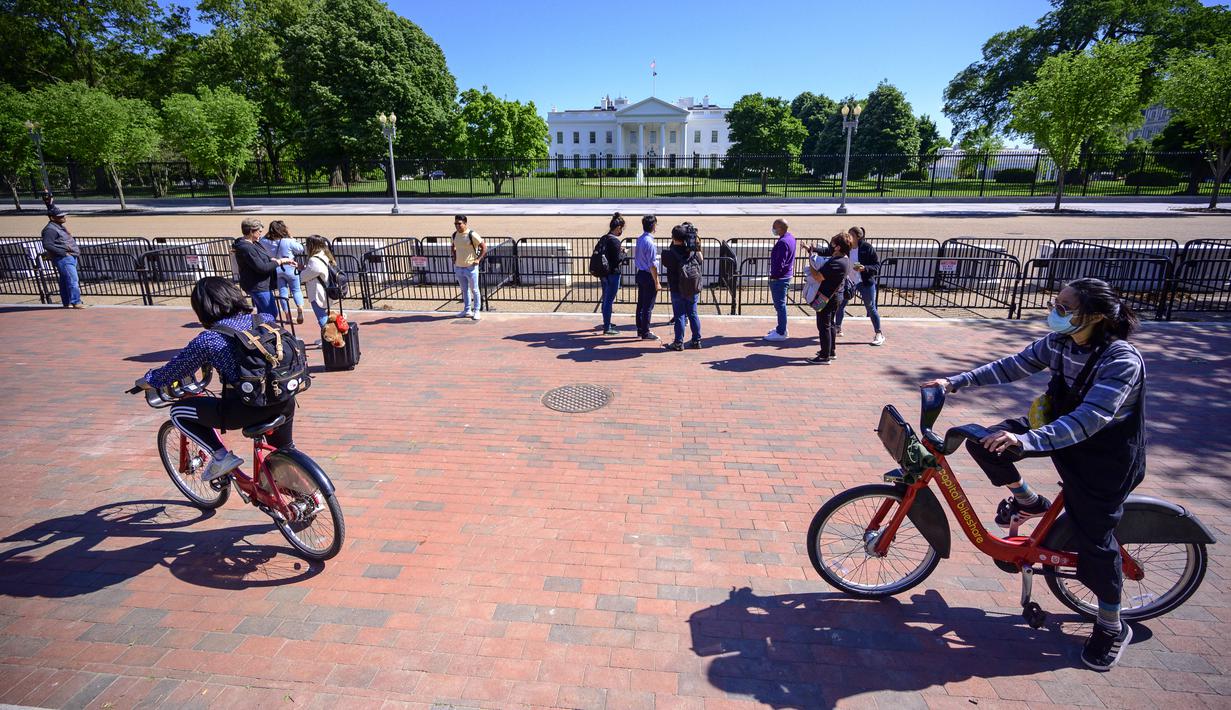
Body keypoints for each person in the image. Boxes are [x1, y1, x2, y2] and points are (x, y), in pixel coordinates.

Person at [921, 278, 1146, 671]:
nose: (1055, 311)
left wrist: (1027, 441)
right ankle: (1028, 500)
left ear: (1093, 316)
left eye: (1064, 306)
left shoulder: (1121, 360)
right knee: (982, 441)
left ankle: (1111, 625)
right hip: (1059, 436)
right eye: (1055, 303)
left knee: (1094, 543)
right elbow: (1013, 365)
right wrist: (954, 382)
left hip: (1104, 460)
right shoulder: (1060, 343)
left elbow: (1090, 419)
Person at [135, 277, 298, 482]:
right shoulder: (264, 319)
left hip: (244, 409)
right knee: (284, 449)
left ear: (203, 308)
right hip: (284, 397)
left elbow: (175, 369)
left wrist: (150, 379)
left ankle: (221, 457)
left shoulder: (210, 339)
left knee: (178, 412)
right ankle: (306, 493)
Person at [805, 233, 853, 364]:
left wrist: (810, 262)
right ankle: (830, 351)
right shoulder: (844, 259)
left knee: (823, 325)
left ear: (838, 247)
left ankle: (824, 356)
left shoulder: (837, 262)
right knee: (830, 324)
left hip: (827, 298)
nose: (831, 246)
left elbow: (818, 277)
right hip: (836, 296)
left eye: (833, 244)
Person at [233, 217, 292, 319]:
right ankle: (265, 333)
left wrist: (277, 260)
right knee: (270, 314)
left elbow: (264, 258)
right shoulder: (246, 248)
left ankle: (261, 332)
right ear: (251, 231)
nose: (261, 233)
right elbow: (262, 268)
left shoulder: (254, 243)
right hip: (257, 285)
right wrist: (280, 261)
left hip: (259, 284)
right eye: (259, 231)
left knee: (263, 314)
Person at [835, 226, 885, 346]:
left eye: (851, 234)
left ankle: (879, 333)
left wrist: (865, 268)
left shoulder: (867, 248)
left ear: (858, 236)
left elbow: (877, 266)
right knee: (840, 304)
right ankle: (837, 328)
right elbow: (830, 250)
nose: (849, 236)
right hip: (849, 282)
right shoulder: (847, 246)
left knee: (870, 307)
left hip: (865, 282)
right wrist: (813, 249)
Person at [661, 222, 703, 350]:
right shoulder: (692, 252)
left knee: (679, 315)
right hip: (691, 287)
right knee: (693, 314)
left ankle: (679, 342)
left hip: (676, 288)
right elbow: (701, 260)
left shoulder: (669, 253)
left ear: (673, 238)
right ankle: (696, 340)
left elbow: (666, 263)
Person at [40, 206, 87, 309]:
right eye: (60, 216)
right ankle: (76, 302)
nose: (63, 217)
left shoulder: (57, 226)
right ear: (52, 218)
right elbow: (47, 244)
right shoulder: (50, 230)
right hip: (64, 258)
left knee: (65, 280)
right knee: (73, 280)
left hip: (69, 257)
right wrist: (63, 253)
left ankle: (67, 302)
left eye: (63, 215)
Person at [261, 220, 306, 324]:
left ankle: (288, 316)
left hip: (276, 268)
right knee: (296, 290)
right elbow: (300, 249)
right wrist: (291, 238)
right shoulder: (287, 241)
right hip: (290, 266)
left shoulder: (265, 241)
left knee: (282, 292)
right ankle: (300, 307)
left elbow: (261, 243)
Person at [764, 219, 796, 341]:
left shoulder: (783, 242)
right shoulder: (791, 238)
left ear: (780, 228)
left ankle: (781, 331)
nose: (773, 229)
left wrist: (774, 276)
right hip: (785, 276)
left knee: (780, 305)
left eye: (774, 227)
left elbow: (780, 263)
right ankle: (781, 328)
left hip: (780, 278)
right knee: (780, 305)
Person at [300, 235, 335, 338]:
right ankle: (329, 336)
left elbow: (304, 277)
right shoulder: (325, 255)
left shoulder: (314, 260)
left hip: (318, 293)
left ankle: (328, 338)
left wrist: (301, 271)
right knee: (325, 316)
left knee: (321, 318)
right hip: (326, 290)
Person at [451, 215, 485, 320]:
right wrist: (454, 257)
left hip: (471, 267)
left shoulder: (472, 234)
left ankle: (477, 310)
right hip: (459, 266)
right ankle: (467, 310)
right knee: (464, 290)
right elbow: (453, 246)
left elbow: (483, 247)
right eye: (455, 223)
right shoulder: (454, 235)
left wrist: (478, 259)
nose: (457, 226)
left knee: (475, 289)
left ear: (465, 223)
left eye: (459, 223)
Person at [597, 212, 626, 335]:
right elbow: (617, 260)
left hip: (603, 273)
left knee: (606, 299)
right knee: (609, 300)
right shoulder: (615, 241)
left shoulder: (604, 237)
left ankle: (606, 322)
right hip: (613, 274)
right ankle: (607, 326)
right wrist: (624, 253)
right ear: (618, 228)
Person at [634, 215, 661, 341]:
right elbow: (652, 265)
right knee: (648, 306)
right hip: (648, 275)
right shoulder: (650, 243)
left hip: (641, 273)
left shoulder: (640, 239)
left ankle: (640, 329)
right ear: (653, 226)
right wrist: (657, 282)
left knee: (641, 304)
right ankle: (645, 331)